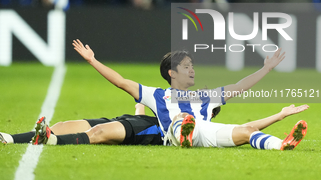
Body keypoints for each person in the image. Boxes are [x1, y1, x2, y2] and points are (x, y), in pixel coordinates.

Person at [66, 39, 308, 150]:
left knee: (246, 132)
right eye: (186, 66)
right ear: (172, 73)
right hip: (174, 131)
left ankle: (282, 145)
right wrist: (93, 60)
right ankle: (183, 133)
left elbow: (240, 85)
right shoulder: (156, 94)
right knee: (183, 118)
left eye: (193, 65)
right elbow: (120, 82)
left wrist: (265, 69)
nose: (192, 69)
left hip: (203, 132)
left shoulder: (206, 96)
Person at [0, 104, 163, 146]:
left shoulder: (167, 128)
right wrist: (140, 105)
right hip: (131, 119)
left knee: (98, 133)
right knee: (61, 125)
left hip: (140, 129)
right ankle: (5, 138)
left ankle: (51, 141)